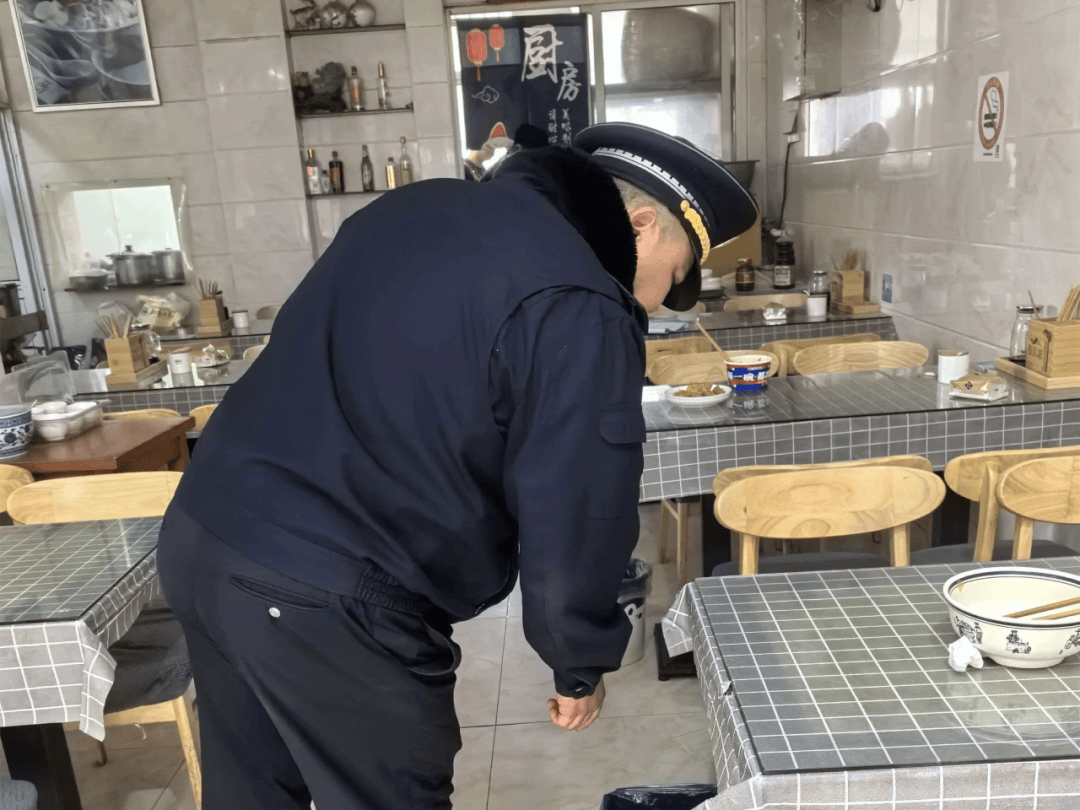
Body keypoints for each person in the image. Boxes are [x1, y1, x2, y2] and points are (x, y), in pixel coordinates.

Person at [158, 122, 757, 810]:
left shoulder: (414, 207)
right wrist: (578, 659)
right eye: (672, 277)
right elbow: (575, 504)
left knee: (250, 794)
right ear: (642, 225)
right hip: (330, 591)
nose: (651, 302)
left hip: (204, 537)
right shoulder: (580, 298)